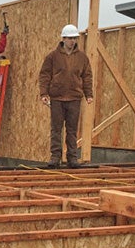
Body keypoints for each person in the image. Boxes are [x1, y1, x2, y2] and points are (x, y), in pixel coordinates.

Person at [38, 24, 93, 168]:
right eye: (70, 38)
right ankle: (55, 157)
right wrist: (44, 93)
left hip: (74, 98)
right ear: (63, 39)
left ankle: (72, 158)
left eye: (74, 38)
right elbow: (44, 75)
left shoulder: (82, 58)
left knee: (72, 129)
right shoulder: (52, 56)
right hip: (57, 98)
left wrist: (89, 94)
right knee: (56, 129)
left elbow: (87, 77)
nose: (72, 41)